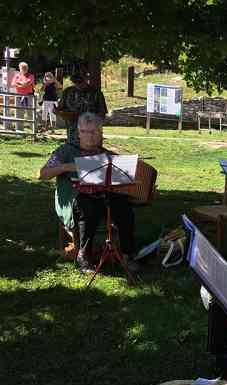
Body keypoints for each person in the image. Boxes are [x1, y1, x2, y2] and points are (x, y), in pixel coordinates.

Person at [39, 112, 139, 274]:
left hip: (103, 196)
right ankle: (83, 256)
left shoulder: (106, 154)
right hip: (73, 198)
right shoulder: (65, 151)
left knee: (124, 207)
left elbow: (121, 180)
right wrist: (67, 167)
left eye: (95, 132)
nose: (90, 136)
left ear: (101, 133)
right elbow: (42, 174)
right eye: (86, 132)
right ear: (79, 133)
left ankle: (127, 254)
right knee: (89, 206)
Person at [56, 72, 108, 145]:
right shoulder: (68, 92)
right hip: (72, 133)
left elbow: (102, 113)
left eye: (80, 81)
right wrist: (58, 112)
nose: (78, 84)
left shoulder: (96, 93)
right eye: (75, 81)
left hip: (91, 133)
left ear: (86, 80)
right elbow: (60, 108)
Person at [10, 61, 35, 132]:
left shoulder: (31, 75)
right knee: (19, 112)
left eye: (25, 67)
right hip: (19, 96)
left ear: (27, 68)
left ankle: (33, 130)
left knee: (30, 113)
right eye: (22, 67)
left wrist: (19, 83)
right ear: (20, 68)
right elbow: (12, 84)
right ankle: (19, 129)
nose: (24, 69)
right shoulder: (16, 75)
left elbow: (29, 83)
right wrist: (22, 84)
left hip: (28, 96)